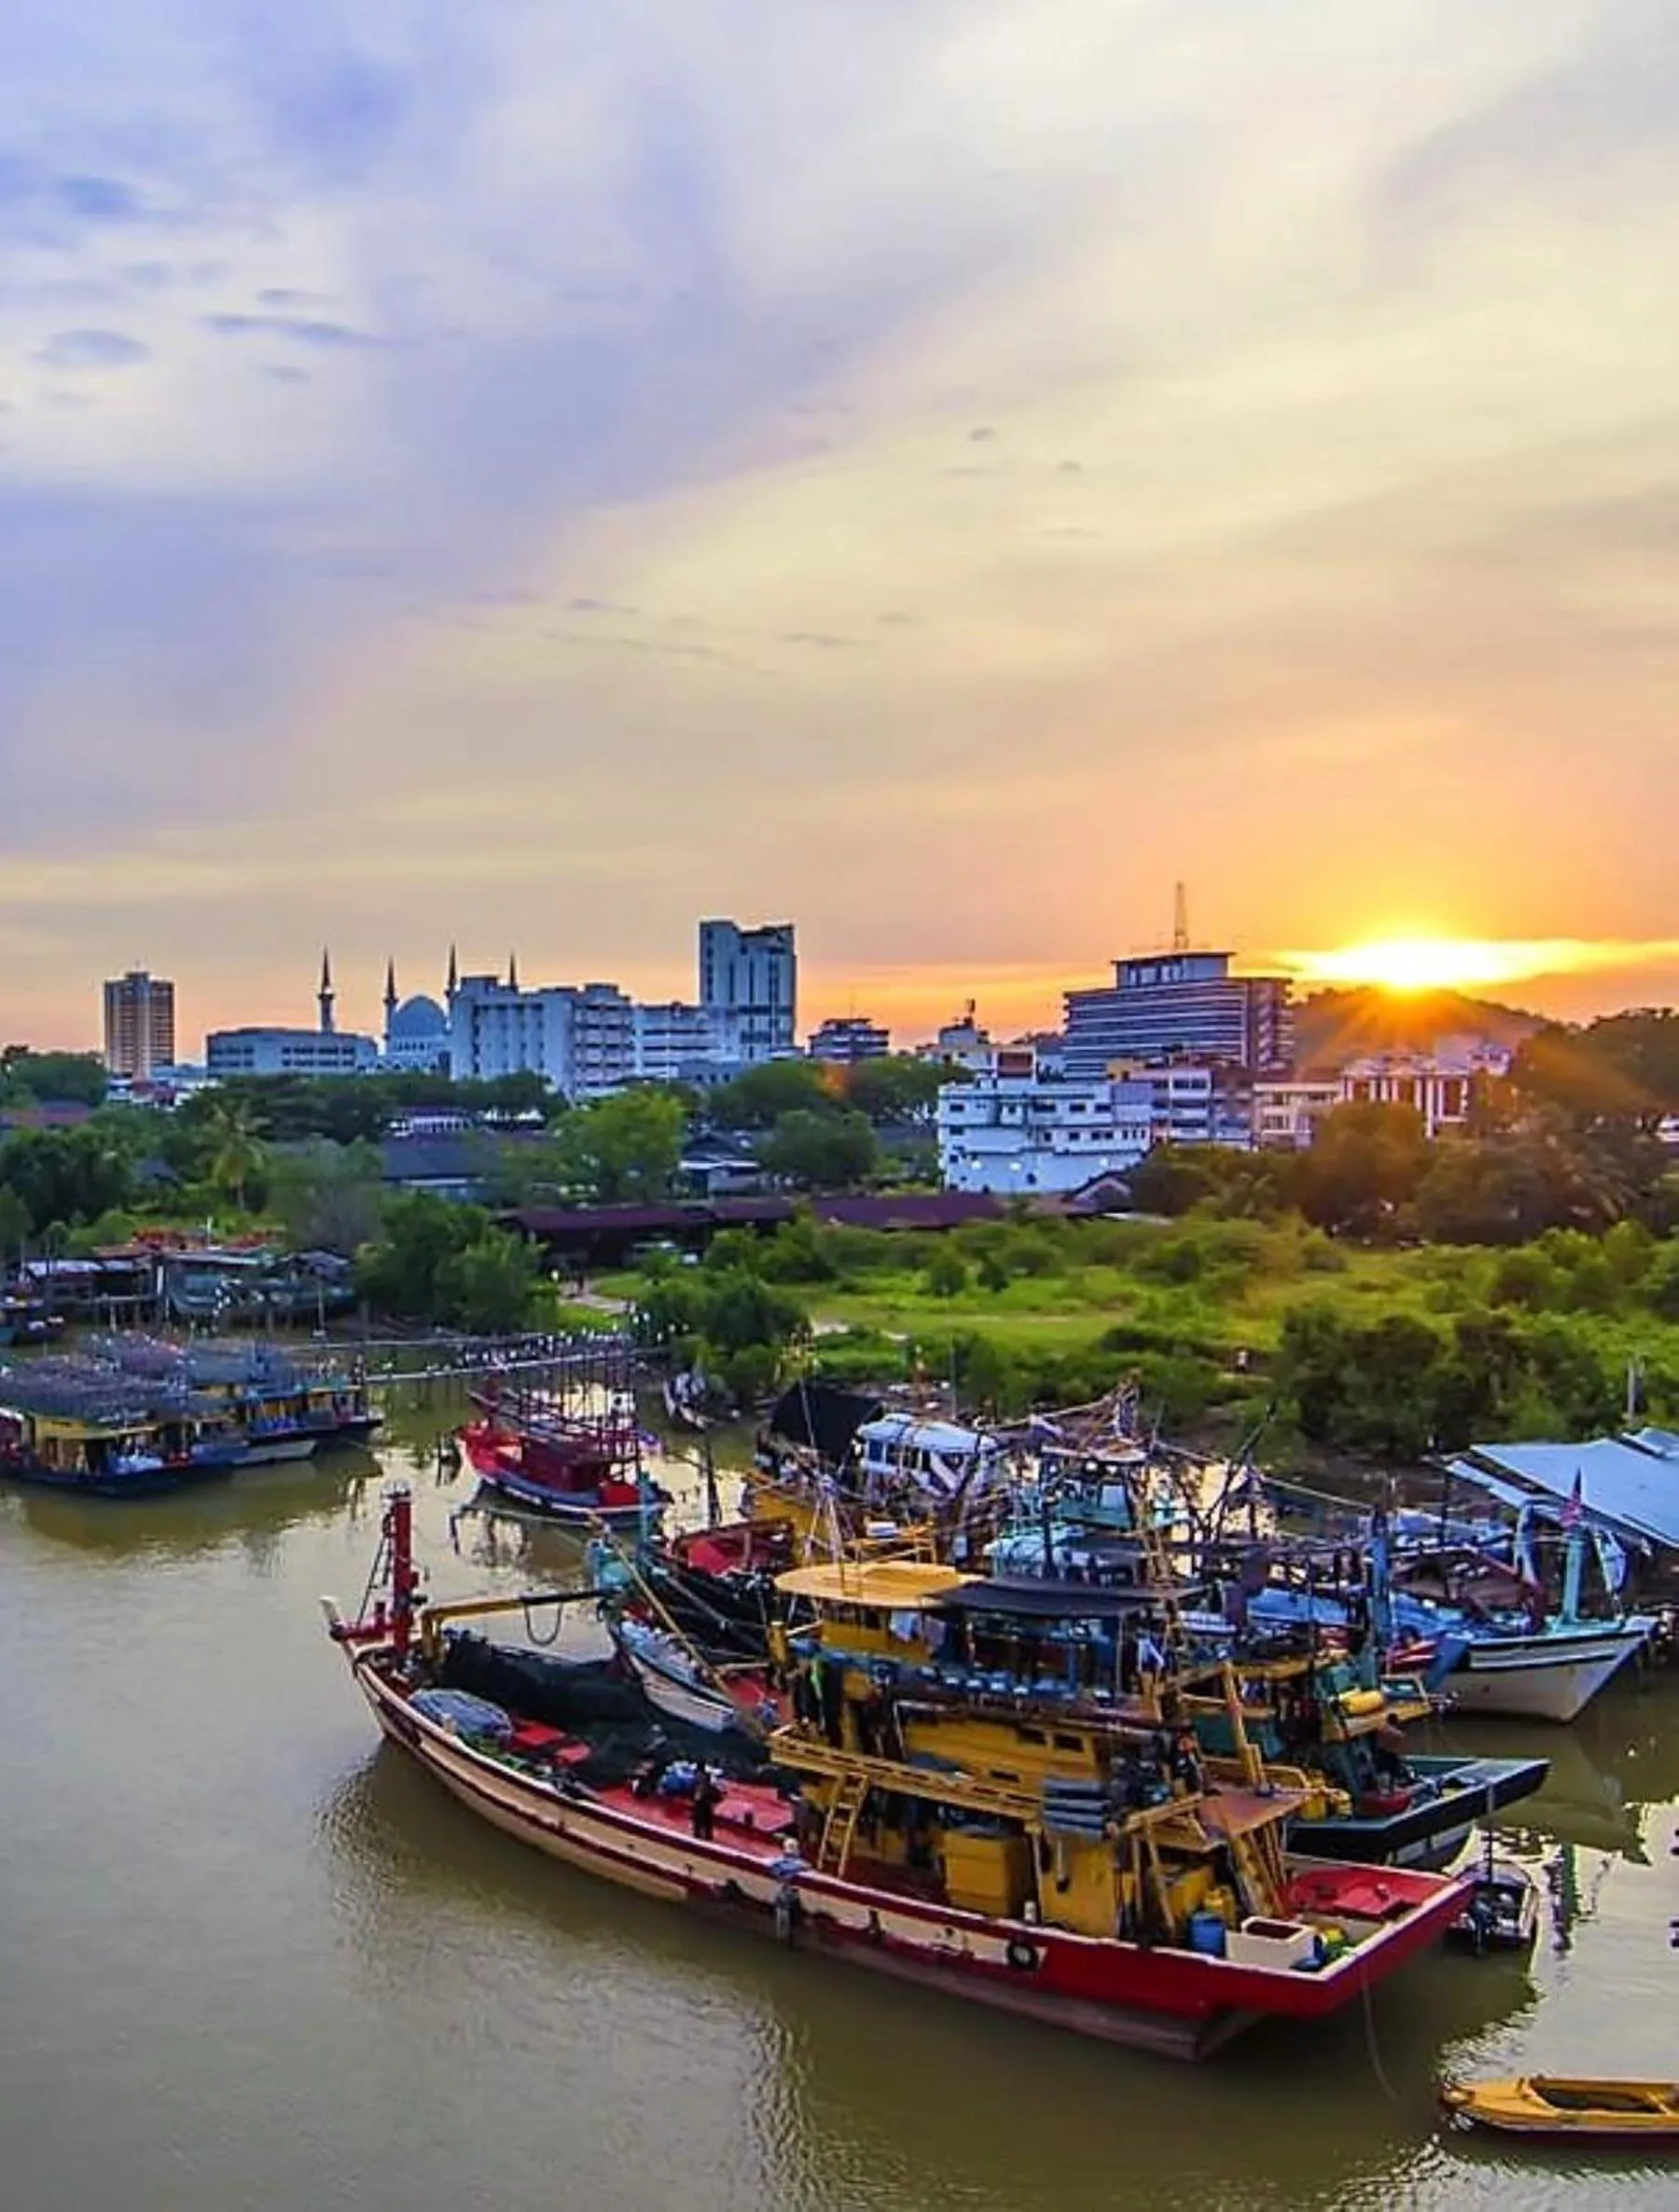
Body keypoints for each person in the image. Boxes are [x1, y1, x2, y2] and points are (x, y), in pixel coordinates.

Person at [690, 1765, 722, 1842]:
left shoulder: (710, 1786)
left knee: (705, 1821)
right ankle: (698, 1834)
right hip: (701, 1804)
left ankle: (704, 1835)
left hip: (705, 1804)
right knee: (699, 1820)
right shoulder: (700, 1784)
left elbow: (718, 1797)